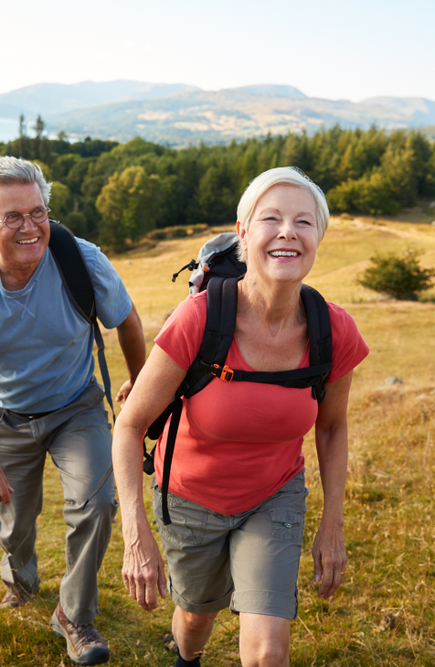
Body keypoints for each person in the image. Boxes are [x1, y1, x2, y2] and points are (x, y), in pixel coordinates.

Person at [112, 167, 368, 667]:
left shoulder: (332, 329)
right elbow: (129, 424)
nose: (288, 232)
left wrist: (333, 522)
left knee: (269, 652)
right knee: (194, 622)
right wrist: (134, 532)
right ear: (244, 234)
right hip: (188, 497)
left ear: (319, 238)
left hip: (273, 495)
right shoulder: (201, 318)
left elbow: (332, 426)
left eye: (304, 222)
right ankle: (188, 656)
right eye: (271, 219)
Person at [0, 156, 146, 666]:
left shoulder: (82, 260)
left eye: (38, 212)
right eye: (13, 217)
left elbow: (128, 321)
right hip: (3, 418)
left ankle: (74, 616)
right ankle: (20, 577)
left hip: (77, 408)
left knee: (96, 504)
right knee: (15, 522)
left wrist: (140, 386)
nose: (31, 227)